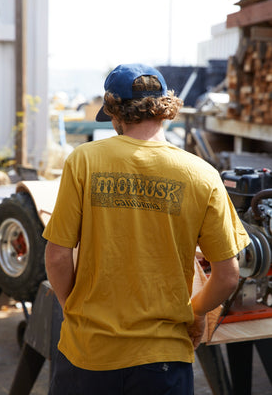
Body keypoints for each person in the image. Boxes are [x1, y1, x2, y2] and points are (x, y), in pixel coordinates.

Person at [43, 63, 250, 395]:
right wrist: (194, 312)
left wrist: (73, 309)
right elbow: (227, 276)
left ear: (114, 112)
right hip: (163, 358)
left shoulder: (83, 161)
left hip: (89, 352)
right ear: (165, 110)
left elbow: (56, 257)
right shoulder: (202, 174)